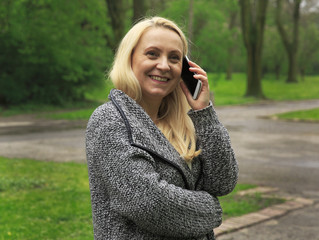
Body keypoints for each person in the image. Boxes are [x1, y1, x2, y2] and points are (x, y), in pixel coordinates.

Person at [86, 16, 238, 240]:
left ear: (184, 69)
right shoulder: (110, 120)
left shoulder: (182, 125)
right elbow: (148, 203)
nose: (164, 65)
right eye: (152, 54)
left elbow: (222, 181)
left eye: (174, 58)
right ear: (130, 58)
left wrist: (204, 112)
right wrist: (211, 209)